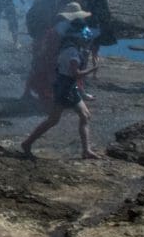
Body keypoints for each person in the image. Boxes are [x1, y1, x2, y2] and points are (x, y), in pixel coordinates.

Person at [21, 18, 102, 159]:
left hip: (68, 86)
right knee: (53, 120)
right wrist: (92, 69)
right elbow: (76, 73)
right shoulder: (72, 53)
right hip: (65, 88)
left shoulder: (70, 48)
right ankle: (27, 143)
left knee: (85, 115)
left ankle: (86, 150)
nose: (87, 41)